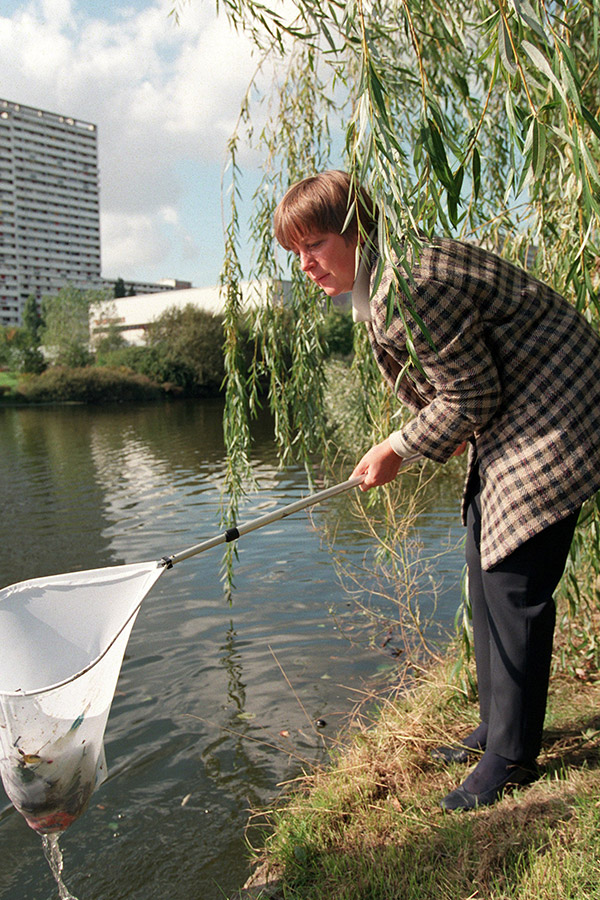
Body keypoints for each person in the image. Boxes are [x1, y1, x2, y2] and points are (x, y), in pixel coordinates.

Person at [273, 169, 600, 811]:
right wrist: (437, 429)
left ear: (355, 230)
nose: (305, 265)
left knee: (512, 576)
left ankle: (511, 758)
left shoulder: (409, 284)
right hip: (520, 410)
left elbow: (474, 393)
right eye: (295, 254)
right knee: (485, 557)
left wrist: (397, 447)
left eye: (312, 246)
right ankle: (496, 727)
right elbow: (465, 379)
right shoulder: (387, 279)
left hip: (559, 409)